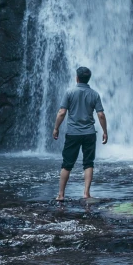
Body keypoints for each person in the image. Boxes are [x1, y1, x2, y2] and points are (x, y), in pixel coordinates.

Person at [52, 66, 108, 201]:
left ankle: (61, 194)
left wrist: (56, 128)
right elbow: (101, 115)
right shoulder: (94, 94)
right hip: (89, 133)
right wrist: (105, 132)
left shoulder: (69, 92)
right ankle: (86, 193)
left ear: (76, 78)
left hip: (73, 133)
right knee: (88, 163)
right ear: (88, 79)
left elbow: (62, 112)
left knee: (67, 164)